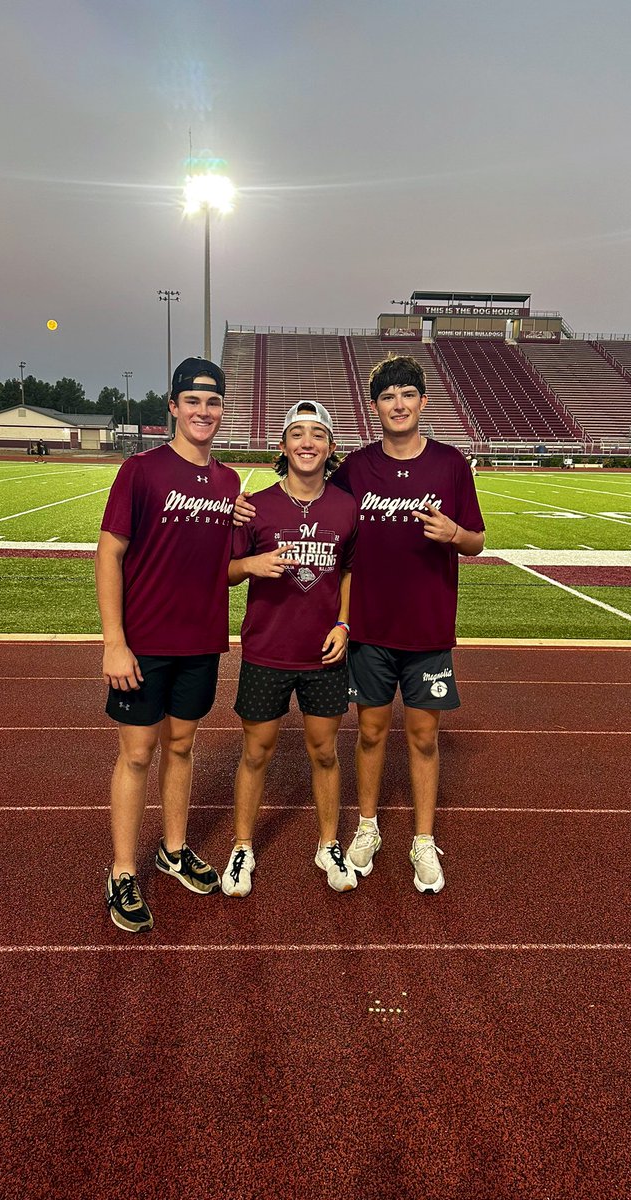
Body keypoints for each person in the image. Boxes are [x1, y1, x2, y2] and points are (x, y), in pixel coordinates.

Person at [318, 355, 485, 893]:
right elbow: (318, 510)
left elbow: (477, 541)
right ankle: (367, 827)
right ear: (375, 407)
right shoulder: (356, 469)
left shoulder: (451, 465)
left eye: (407, 395)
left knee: (424, 735)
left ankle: (422, 838)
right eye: (388, 397)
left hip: (428, 626)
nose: (398, 405)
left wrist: (454, 532)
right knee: (369, 732)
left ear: (423, 402)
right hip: (369, 626)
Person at [96, 357, 239, 933]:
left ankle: (173, 851)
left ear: (221, 410)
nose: (203, 411)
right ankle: (123, 870)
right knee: (136, 754)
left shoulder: (229, 482)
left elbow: (219, 559)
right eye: (193, 401)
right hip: (144, 643)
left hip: (201, 641)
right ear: (174, 407)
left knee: (182, 748)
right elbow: (110, 552)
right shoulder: (142, 471)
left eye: (213, 402)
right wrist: (114, 641)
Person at [222, 401, 358, 898]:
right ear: (282, 446)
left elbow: (347, 570)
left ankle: (328, 844)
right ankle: (242, 847)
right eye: (297, 434)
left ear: (329, 447)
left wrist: (344, 623)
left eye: (317, 434)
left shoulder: (345, 506)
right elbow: (228, 572)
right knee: (256, 752)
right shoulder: (256, 505)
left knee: (325, 751)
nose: (307, 443)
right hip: (267, 650)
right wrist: (251, 565)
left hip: (323, 653)